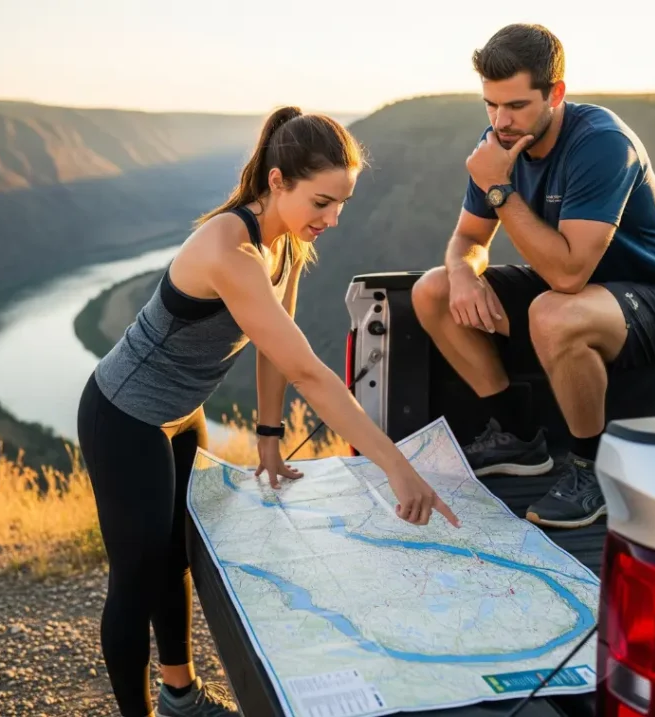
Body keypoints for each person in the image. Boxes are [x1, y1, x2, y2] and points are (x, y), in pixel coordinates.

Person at [76, 106, 460, 717]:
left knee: (174, 554)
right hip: (125, 417)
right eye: (322, 202)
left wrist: (269, 435)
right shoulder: (229, 250)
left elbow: (274, 351)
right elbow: (311, 370)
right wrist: (396, 465)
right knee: (136, 577)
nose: (333, 219)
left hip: (181, 414)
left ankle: (179, 696)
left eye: (343, 203)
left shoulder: (282, 243)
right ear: (277, 181)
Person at [411, 24, 655, 530]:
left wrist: (500, 190)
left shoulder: (602, 143)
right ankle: (517, 438)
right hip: (574, 292)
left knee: (553, 310)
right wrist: (463, 272)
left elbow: (569, 274)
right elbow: (467, 240)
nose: (500, 122)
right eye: (490, 104)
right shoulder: (497, 146)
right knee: (432, 290)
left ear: (556, 94)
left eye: (516, 106)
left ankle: (591, 472)